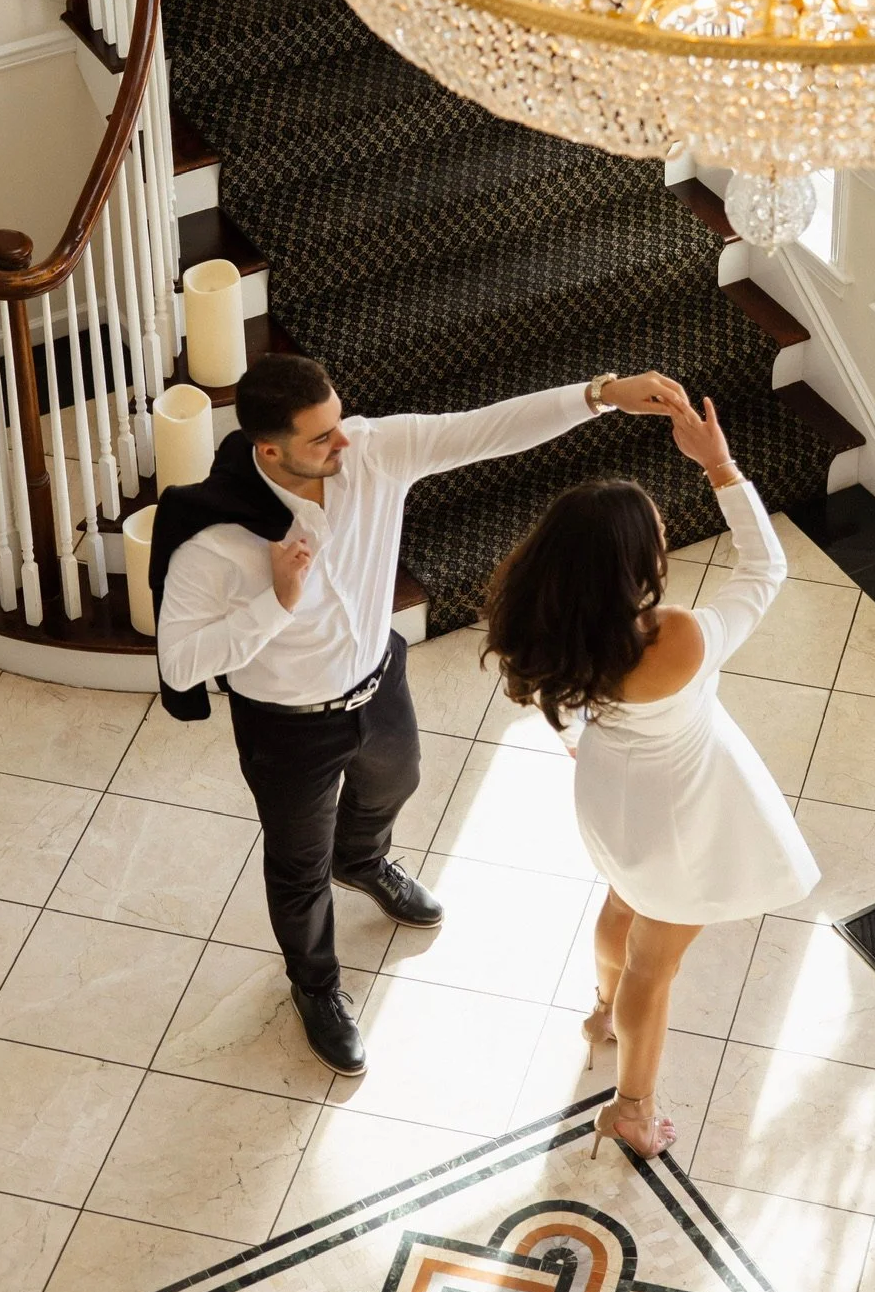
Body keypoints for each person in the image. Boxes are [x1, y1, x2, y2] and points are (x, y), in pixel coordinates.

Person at [152, 352, 690, 1078]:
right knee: (297, 867)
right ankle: (316, 989)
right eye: (321, 439)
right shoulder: (215, 541)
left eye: (339, 423)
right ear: (268, 449)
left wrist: (603, 394)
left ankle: (364, 858)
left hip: (379, 681)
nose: (345, 442)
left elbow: (489, 429)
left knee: (395, 781)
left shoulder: (372, 452)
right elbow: (180, 665)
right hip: (288, 727)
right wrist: (272, 602)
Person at [485, 393, 819, 1159]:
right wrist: (718, 465)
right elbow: (764, 567)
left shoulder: (552, 634)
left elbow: (568, 723)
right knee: (656, 964)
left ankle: (603, 1011)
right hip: (682, 815)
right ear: (636, 568)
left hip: (611, 800)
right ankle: (630, 1108)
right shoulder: (679, 640)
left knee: (623, 903)